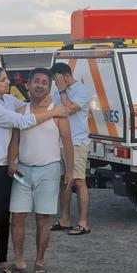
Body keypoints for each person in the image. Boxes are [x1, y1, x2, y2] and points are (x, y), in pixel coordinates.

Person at [0, 66, 68, 273]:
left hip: (4, 163)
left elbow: (27, 106)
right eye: (4, 80)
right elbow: (23, 121)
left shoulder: (6, 100)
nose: (8, 82)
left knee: (5, 213)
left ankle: (3, 261)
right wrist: (53, 111)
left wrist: (49, 101)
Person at [7, 68, 74, 273]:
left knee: (43, 218)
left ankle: (39, 261)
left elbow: (67, 142)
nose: (40, 85)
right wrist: (11, 161)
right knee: (17, 216)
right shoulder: (21, 112)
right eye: (36, 81)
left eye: (44, 82)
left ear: (49, 87)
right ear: (27, 85)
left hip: (49, 169)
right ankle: (18, 260)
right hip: (24, 170)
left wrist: (70, 170)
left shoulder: (59, 113)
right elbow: (15, 140)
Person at [49, 62, 93, 236]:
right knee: (64, 180)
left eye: (57, 79)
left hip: (77, 142)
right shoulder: (57, 90)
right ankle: (64, 219)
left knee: (79, 180)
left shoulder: (82, 91)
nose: (55, 82)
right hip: (59, 142)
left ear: (65, 76)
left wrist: (61, 90)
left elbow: (68, 110)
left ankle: (83, 222)